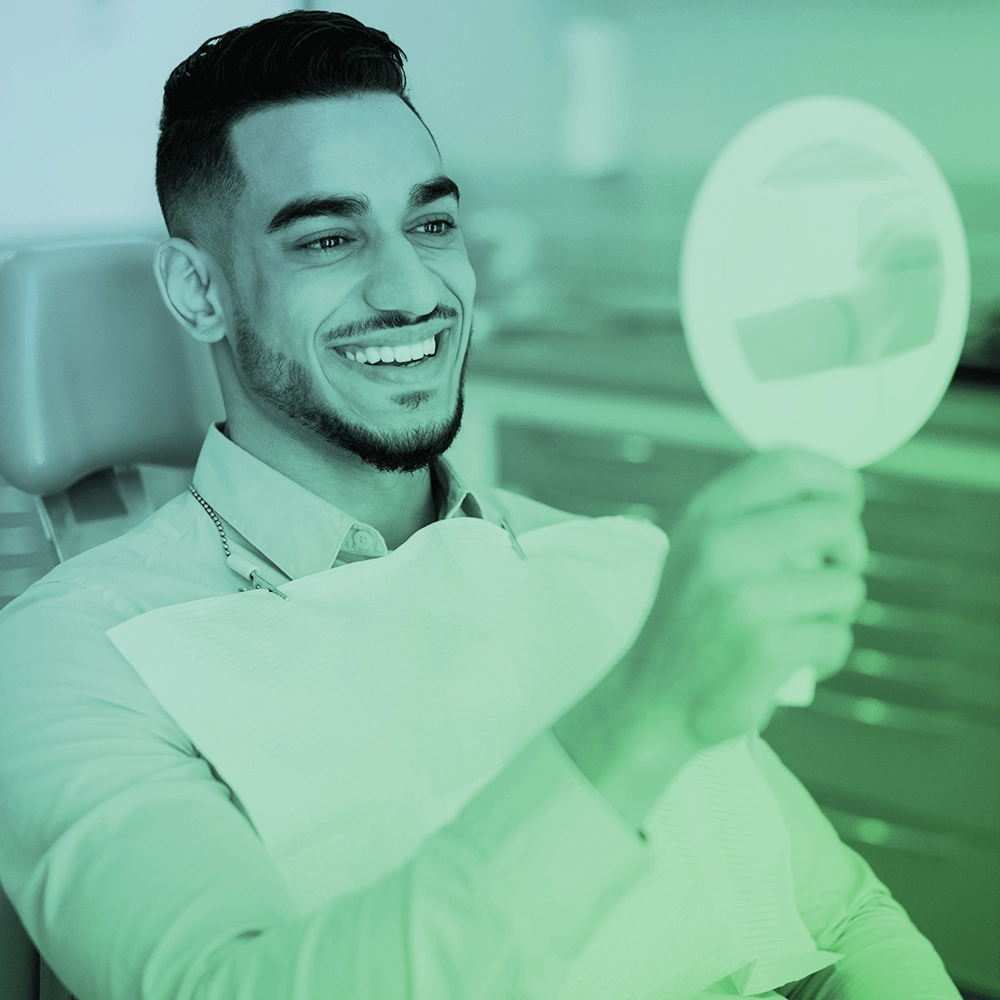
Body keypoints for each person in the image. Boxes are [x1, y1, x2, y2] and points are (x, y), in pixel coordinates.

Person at [0, 11, 963, 1000]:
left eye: (431, 223)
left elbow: (842, 917)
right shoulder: (72, 659)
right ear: (198, 291)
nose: (412, 288)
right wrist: (644, 712)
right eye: (328, 238)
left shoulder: (606, 559)